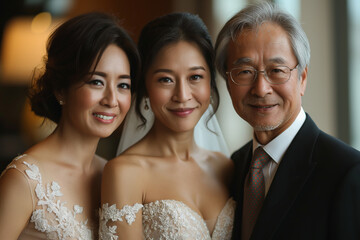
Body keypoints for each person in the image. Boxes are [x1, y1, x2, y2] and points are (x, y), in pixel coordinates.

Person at [215, 2, 360, 240]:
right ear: (228, 83)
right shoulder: (235, 166)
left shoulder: (347, 172)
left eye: (277, 70)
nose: (261, 89)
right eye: (245, 72)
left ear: (302, 79)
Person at [0, 12, 140, 239]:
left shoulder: (113, 175)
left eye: (123, 85)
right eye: (97, 82)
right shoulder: (25, 180)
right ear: (60, 90)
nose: (112, 100)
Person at [99, 12, 235, 239]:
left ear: (210, 82)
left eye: (195, 77)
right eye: (166, 79)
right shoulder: (124, 173)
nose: (182, 95)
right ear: (144, 88)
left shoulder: (226, 167)